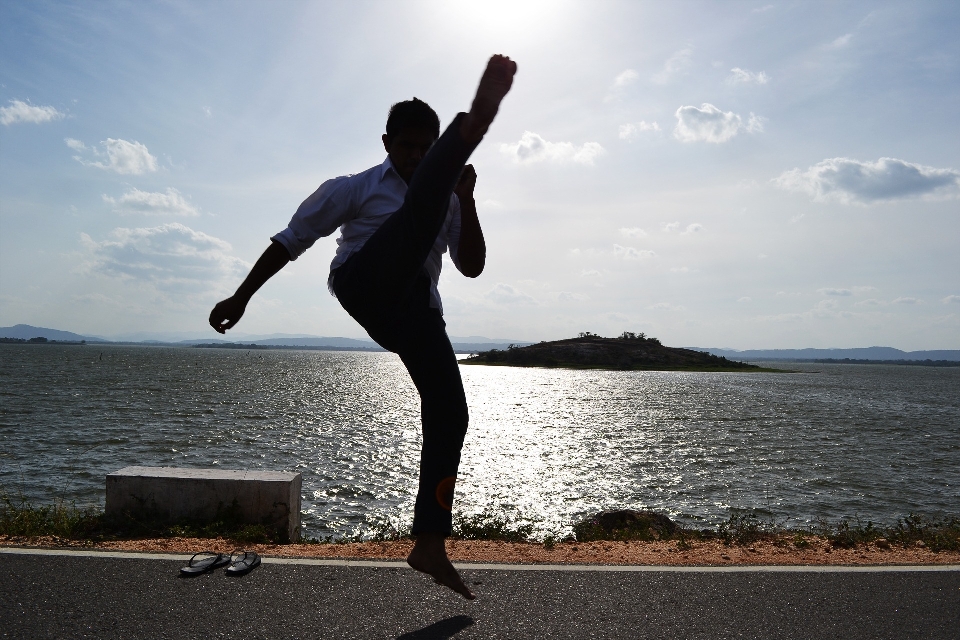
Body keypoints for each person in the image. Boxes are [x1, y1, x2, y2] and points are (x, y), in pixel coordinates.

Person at [209, 55, 517, 599]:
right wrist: (242, 295)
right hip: (364, 284)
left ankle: (429, 543)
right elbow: (291, 240)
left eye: (427, 149)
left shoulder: (445, 198)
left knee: (452, 413)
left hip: (415, 311)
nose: (416, 157)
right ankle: (472, 125)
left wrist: (466, 201)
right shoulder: (354, 188)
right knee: (417, 208)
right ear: (386, 143)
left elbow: (471, 266)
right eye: (408, 148)